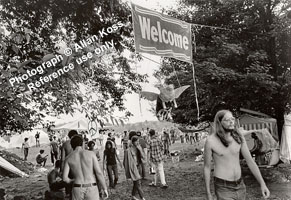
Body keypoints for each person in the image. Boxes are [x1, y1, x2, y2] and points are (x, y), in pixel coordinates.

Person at [204, 110, 270, 200]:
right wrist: (208, 193)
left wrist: (262, 184)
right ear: (219, 122)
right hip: (223, 187)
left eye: (232, 119)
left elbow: (250, 162)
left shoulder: (238, 137)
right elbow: (207, 168)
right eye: (227, 120)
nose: (231, 122)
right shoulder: (211, 141)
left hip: (240, 185)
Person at [62, 135, 108, 200]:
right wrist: (104, 188)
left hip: (77, 187)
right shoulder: (91, 154)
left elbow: (64, 178)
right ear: (82, 143)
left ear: (72, 145)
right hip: (91, 186)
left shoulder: (68, 158)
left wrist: (71, 181)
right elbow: (99, 173)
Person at [123, 136, 146, 200]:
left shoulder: (139, 148)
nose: (138, 143)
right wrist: (127, 171)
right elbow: (125, 162)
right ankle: (142, 197)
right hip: (133, 168)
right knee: (138, 182)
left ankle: (133, 195)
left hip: (138, 167)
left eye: (138, 141)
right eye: (136, 141)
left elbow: (143, 157)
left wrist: (140, 150)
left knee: (136, 182)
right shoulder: (128, 151)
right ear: (132, 142)